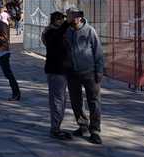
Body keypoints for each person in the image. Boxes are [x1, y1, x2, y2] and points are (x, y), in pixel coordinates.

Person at [65, 9, 104, 145]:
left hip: (89, 72)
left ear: (81, 17)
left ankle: (95, 131)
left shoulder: (90, 31)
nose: (73, 18)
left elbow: (98, 52)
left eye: (75, 16)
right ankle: (82, 126)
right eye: (70, 16)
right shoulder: (67, 31)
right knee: (76, 101)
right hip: (72, 73)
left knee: (94, 101)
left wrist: (99, 72)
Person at [42, 12, 72, 140]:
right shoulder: (50, 32)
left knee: (62, 100)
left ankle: (57, 126)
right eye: (61, 20)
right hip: (55, 70)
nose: (62, 22)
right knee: (57, 100)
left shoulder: (59, 32)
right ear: (56, 20)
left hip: (63, 69)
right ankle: (55, 129)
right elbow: (55, 38)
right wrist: (66, 25)